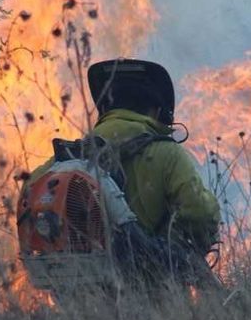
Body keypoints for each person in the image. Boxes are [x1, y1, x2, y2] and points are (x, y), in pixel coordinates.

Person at [24, 58, 221, 287]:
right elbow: (200, 213)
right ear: (157, 110)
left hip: (78, 300)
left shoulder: (68, 158)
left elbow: (29, 198)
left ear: (106, 109)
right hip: (152, 293)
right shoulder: (167, 154)